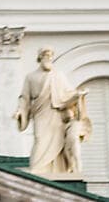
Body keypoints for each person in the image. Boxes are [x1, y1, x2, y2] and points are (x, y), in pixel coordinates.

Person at [14, 47, 89, 177]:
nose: (49, 58)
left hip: (58, 115)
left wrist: (79, 95)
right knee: (40, 139)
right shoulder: (31, 77)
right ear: (40, 58)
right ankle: (38, 168)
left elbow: (68, 93)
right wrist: (20, 111)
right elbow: (25, 97)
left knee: (58, 141)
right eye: (46, 55)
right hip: (41, 113)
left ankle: (55, 169)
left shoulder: (58, 76)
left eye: (50, 56)